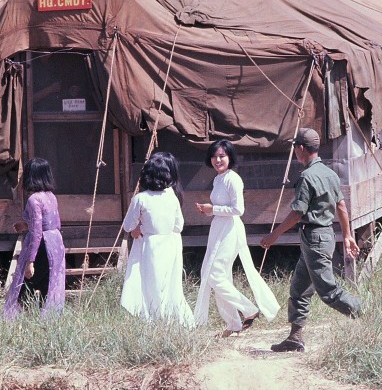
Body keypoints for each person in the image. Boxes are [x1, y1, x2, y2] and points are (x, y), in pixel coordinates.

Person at [260, 128, 364, 352]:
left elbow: (297, 213)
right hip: (322, 236)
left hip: (314, 237)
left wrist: (273, 236)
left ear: (300, 149)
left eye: (295, 148)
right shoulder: (330, 174)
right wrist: (347, 235)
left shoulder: (307, 177)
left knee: (329, 291)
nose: (295, 152)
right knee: (299, 288)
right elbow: (341, 206)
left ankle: (366, 314)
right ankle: (295, 337)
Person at [194, 139, 279, 336]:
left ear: (230, 157)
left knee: (214, 274)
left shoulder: (233, 179)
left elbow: (238, 209)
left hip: (230, 229)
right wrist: (208, 211)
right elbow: (223, 208)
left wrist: (213, 209)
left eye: (222, 156)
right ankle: (234, 324)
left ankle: (249, 310)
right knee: (217, 275)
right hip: (218, 227)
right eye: (214, 156)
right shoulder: (218, 179)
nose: (218, 160)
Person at [120, 151, 194, 328]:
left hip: (150, 245)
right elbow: (179, 226)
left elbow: (128, 226)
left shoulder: (140, 198)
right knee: (169, 283)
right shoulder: (172, 198)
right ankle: (173, 318)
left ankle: (154, 319)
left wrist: (140, 228)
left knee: (150, 283)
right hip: (169, 243)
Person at [3, 158, 66, 320]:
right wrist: (26, 225)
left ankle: (18, 319)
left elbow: (38, 231)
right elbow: (52, 223)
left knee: (25, 284)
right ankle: (49, 319)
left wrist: (30, 261)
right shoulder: (51, 196)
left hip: (42, 244)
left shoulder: (34, 200)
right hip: (55, 243)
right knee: (48, 282)